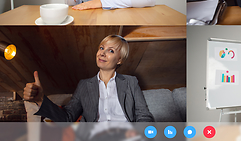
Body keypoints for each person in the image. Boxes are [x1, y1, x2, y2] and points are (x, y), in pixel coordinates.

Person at [23, 35, 154, 122]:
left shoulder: (131, 82)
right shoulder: (84, 85)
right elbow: (67, 117)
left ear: (119, 60)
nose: (102, 53)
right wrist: (40, 99)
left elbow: (144, 115)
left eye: (111, 51)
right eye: (101, 48)